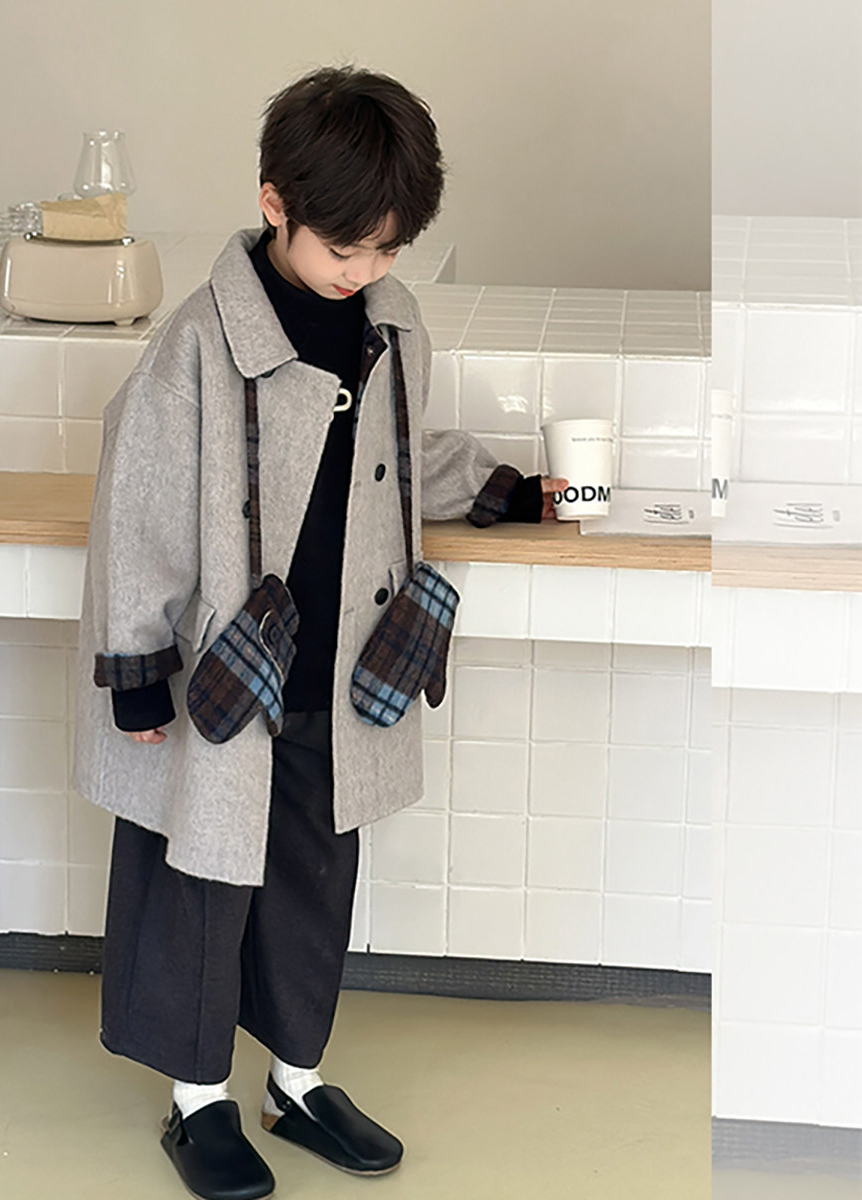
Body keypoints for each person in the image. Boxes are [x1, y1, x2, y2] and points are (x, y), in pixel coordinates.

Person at [71, 65, 564, 1200]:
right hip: (227, 670)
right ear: (274, 203)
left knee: (314, 877)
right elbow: (140, 507)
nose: (365, 271)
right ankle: (197, 1101)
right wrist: (137, 669)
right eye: (346, 248)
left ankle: (296, 1081)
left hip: (341, 666)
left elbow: (397, 454)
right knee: (200, 881)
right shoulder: (199, 346)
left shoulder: (391, 326)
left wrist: (498, 486)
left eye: (387, 250)